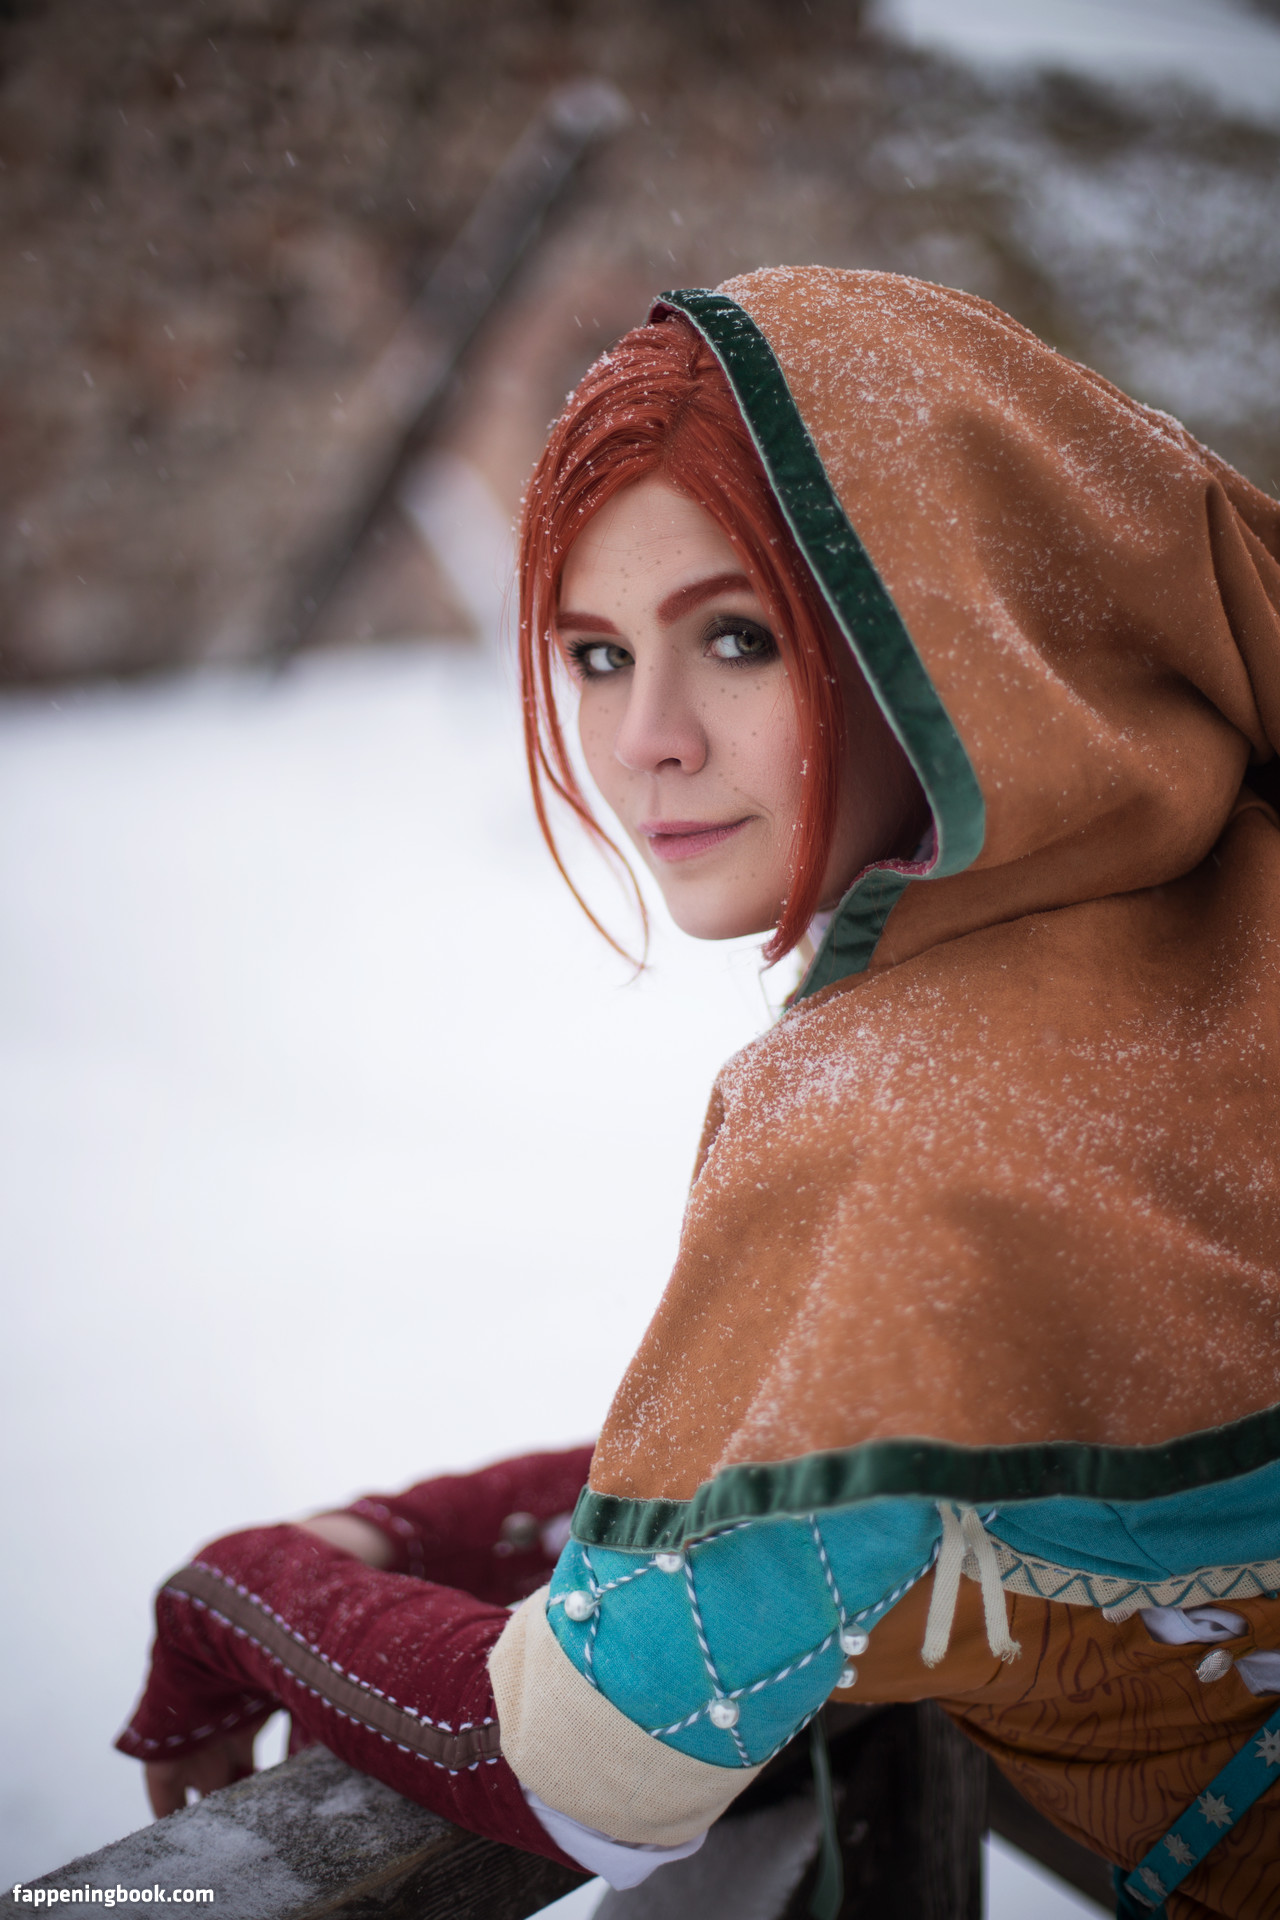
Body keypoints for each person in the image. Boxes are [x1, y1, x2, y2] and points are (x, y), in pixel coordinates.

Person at [118, 268, 1280, 1920]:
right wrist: (429, 1524)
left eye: (738, 636)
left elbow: (581, 1762)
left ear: (958, 627)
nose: (643, 739)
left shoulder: (908, 1119)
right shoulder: (1221, 934)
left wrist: (244, 1595)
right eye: (594, 654)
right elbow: (872, 1461)